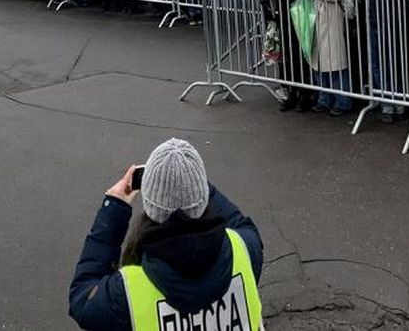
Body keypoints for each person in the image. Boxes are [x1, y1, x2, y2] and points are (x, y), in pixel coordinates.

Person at [68, 138, 263, 331]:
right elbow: (240, 222)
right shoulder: (244, 248)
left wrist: (114, 209)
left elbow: (82, 299)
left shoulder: (126, 293)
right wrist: (194, 186)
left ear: (150, 201)